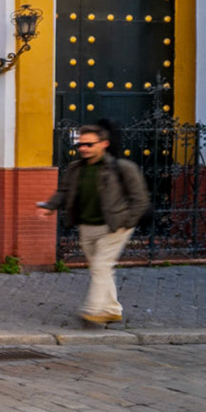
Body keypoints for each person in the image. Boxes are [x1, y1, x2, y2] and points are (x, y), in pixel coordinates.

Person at [40, 120, 150, 327]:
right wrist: (50, 206)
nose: (83, 148)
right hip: (87, 225)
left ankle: (93, 311)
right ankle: (111, 309)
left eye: (89, 144)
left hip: (114, 225)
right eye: (81, 144)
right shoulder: (76, 168)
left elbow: (140, 199)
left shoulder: (122, 168)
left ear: (103, 144)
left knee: (101, 264)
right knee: (100, 267)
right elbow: (64, 191)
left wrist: (127, 222)